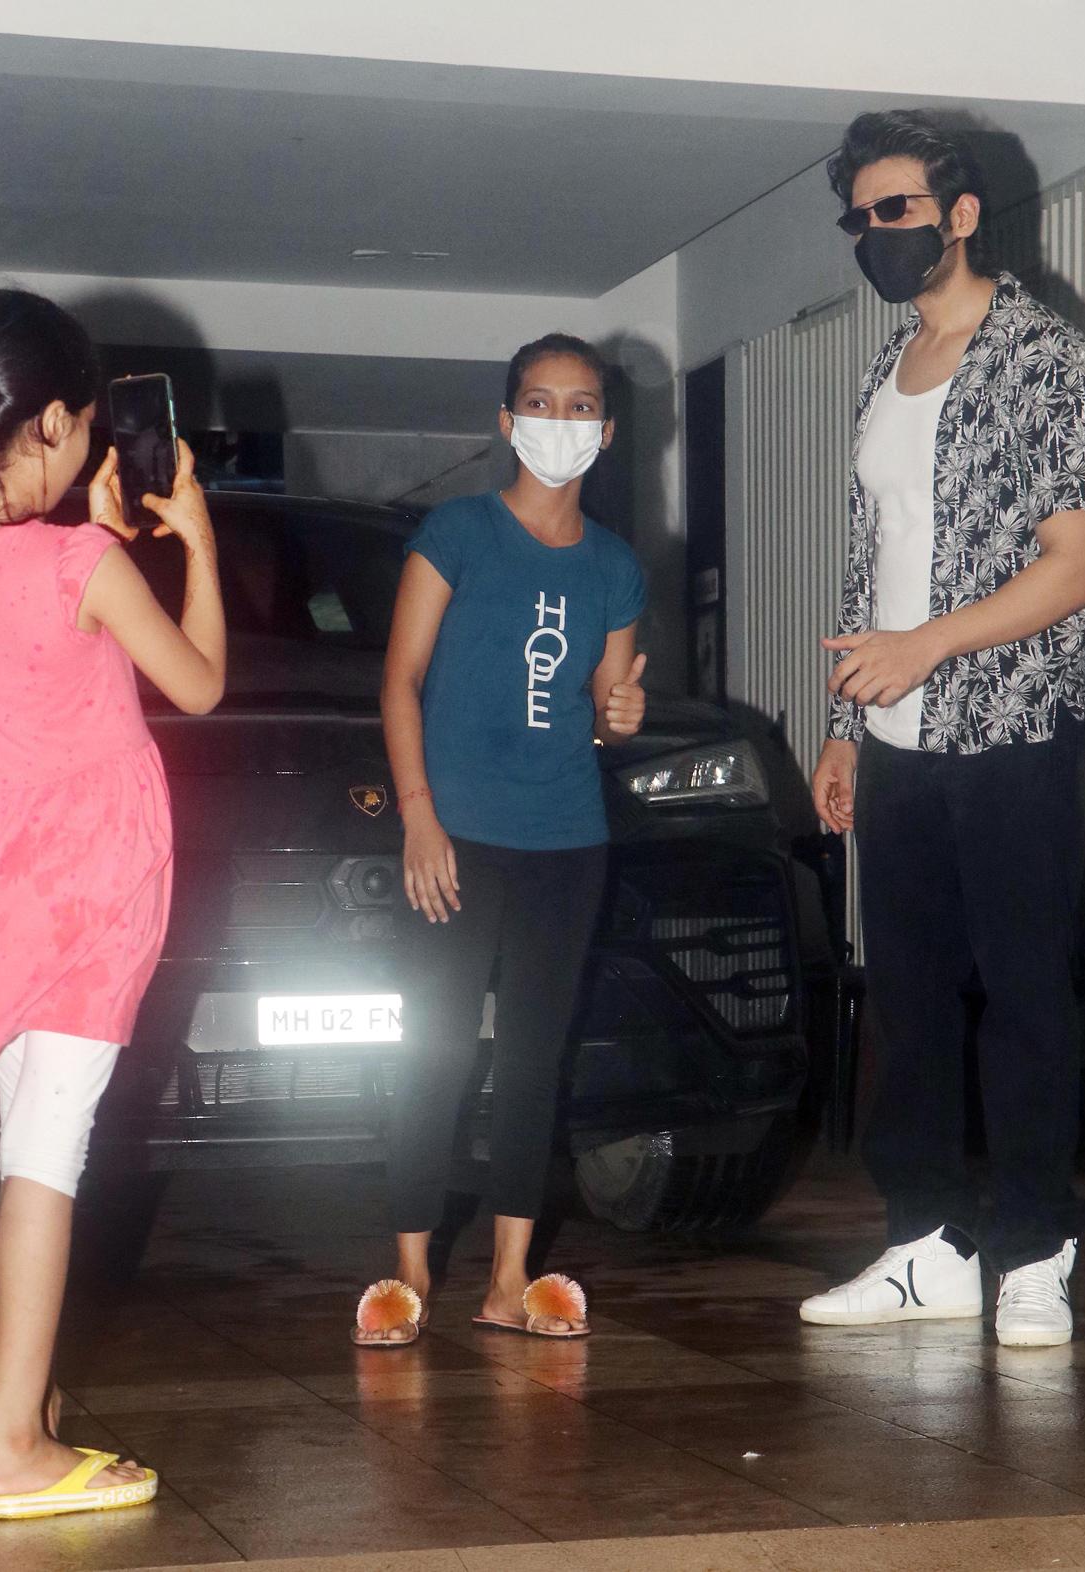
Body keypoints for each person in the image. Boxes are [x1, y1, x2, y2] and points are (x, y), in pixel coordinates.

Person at [803, 113, 1085, 1347]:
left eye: (896, 210)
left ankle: (1033, 1249)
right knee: (909, 1000)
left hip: (1012, 724)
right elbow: (869, 563)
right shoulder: (883, 373)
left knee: (1025, 995)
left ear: (960, 215)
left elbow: (1073, 568)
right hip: (893, 738)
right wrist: (844, 725)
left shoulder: (1046, 357)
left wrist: (925, 647)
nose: (874, 233)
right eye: (859, 217)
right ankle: (924, 1245)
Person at [0, 289, 225, 1517]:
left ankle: (27, 1403)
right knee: (47, 1161)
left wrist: (88, 539)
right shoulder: (81, 562)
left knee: (27, 1146)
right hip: (90, 895)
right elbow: (198, 684)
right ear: (51, 423)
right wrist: (193, 541)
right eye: (87, 423)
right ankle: (13, 1446)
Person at [353, 332, 646, 1346]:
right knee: (433, 1048)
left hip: (566, 838)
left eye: (580, 406)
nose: (559, 421)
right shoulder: (458, 532)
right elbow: (399, 681)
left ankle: (509, 1279)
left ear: (606, 431)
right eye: (540, 401)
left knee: (532, 1058)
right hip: (456, 835)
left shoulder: (614, 565)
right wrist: (417, 815)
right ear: (507, 420)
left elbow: (607, 708)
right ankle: (408, 1272)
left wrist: (623, 717)